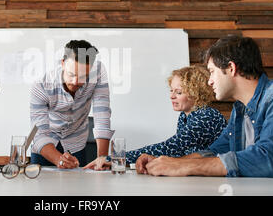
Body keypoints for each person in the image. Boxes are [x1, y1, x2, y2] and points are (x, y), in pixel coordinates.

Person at [137, 35, 273, 179]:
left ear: (231, 68)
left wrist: (184, 167)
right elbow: (216, 152)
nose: (209, 81)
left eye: (212, 71)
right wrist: (170, 163)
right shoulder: (240, 109)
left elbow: (267, 159)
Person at [84, 65, 227, 170]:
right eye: (171, 90)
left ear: (196, 93)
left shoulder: (206, 117)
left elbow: (172, 147)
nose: (171, 96)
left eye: (178, 92)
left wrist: (114, 159)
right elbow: (181, 152)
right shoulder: (185, 116)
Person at [30, 40, 114, 169]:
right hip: (46, 147)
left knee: (77, 188)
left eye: (82, 77)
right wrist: (59, 159)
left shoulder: (97, 73)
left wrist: (101, 159)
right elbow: (40, 133)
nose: (75, 82)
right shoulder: (42, 85)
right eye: (71, 74)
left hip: (76, 145)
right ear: (63, 63)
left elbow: (102, 116)